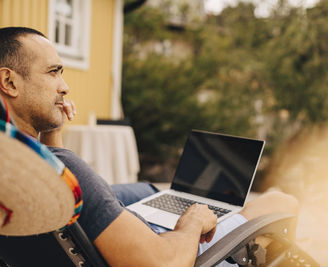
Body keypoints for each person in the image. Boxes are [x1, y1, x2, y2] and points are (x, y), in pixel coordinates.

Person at [0, 27, 299, 266]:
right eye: (53, 72)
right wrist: (192, 223)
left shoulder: (16, 170)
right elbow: (162, 262)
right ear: (9, 82)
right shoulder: (64, 171)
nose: (64, 86)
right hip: (176, 252)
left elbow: (67, 186)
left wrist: (53, 133)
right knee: (280, 201)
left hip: (122, 240)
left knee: (162, 194)